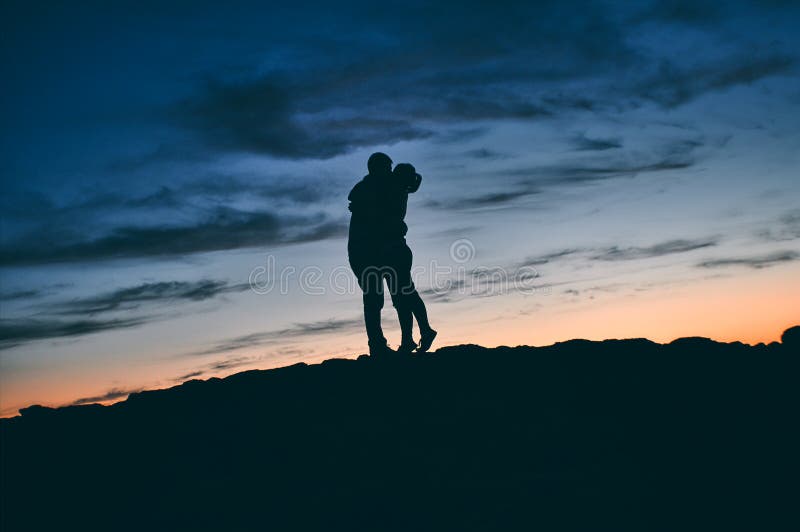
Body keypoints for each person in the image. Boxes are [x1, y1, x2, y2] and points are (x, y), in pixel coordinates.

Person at [348, 153, 437, 357]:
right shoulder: (373, 189)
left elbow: (379, 213)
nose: (388, 172)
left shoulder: (389, 188)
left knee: (399, 296)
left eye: (390, 168)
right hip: (371, 252)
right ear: (375, 169)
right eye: (386, 168)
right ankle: (395, 341)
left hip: (388, 249)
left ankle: (406, 338)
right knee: (387, 297)